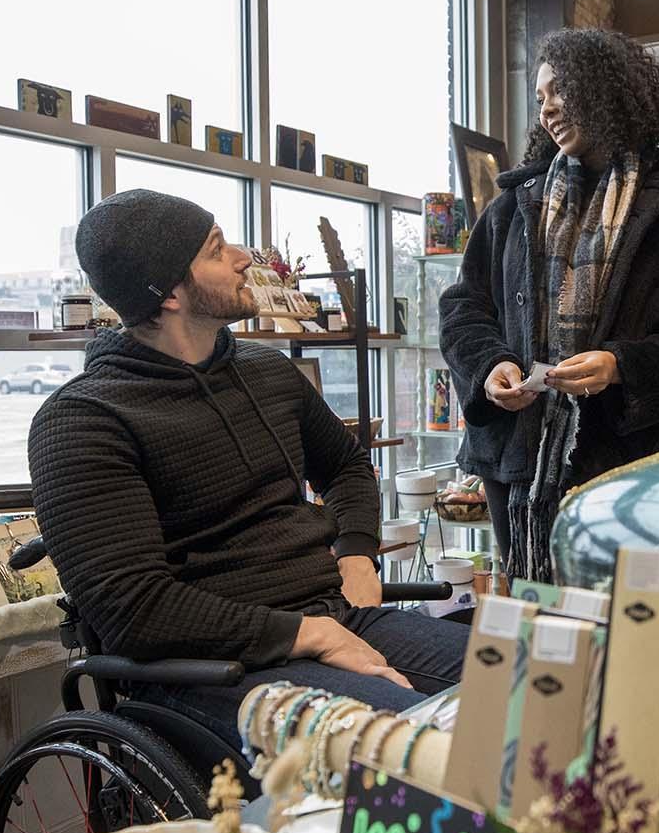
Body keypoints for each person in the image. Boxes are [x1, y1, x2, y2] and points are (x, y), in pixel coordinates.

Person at [28, 188, 468, 740]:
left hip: (335, 615)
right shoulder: (83, 420)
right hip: (209, 669)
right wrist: (309, 635)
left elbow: (347, 466)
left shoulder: (267, 373)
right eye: (216, 250)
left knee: (532, 683)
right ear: (168, 293)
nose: (243, 257)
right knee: (417, 748)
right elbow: (133, 609)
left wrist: (356, 554)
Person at [440, 27, 659, 581]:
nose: (548, 109)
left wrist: (621, 366)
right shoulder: (513, 206)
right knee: (535, 622)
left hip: (628, 458)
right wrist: (490, 366)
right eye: (540, 99)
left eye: (561, 91)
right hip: (517, 455)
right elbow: (463, 308)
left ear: (607, 89)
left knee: (628, 625)